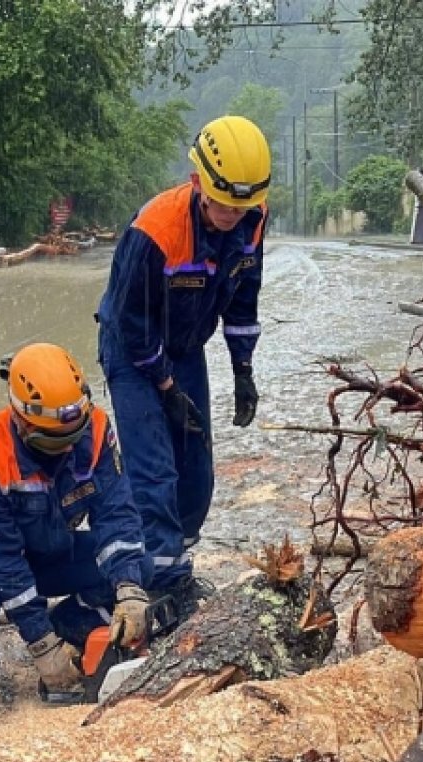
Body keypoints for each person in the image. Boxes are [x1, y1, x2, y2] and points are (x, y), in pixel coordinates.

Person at [96, 115, 268, 626]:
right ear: (197, 183)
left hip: (188, 346)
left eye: (242, 208)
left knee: (196, 467)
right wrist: (164, 384)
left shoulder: (251, 219)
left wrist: (243, 369)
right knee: (155, 468)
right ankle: (159, 584)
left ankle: (170, 555)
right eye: (222, 206)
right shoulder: (156, 231)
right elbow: (131, 321)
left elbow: (244, 298)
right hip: (133, 350)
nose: (231, 217)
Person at [0, 343, 151, 718]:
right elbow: (2, 560)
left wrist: (129, 589)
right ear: (22, 419)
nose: (67, 448)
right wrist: (41, 646)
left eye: (72, 436)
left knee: (141, 566)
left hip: (51, 547)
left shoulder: (95, 429)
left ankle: (69, 623)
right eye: (55, 439)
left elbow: (115, 513)